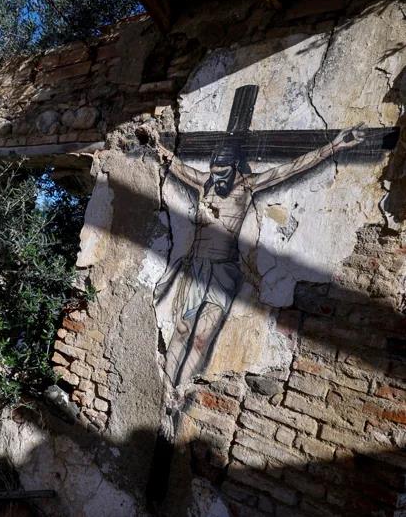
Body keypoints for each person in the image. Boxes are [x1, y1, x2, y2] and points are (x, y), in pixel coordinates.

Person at [153, 125, 365, 388]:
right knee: (182, 329)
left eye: (222, 173)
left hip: (224, 271)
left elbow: (290, 168)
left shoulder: (248, 186)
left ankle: (178, 390)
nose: (217, 178)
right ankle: (165, 385)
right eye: (213, 173)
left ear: (235, 168)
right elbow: (173, 163)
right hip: (197, 267)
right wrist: (153, 143)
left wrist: (332, 147)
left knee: (201, 340)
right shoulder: (203, 182)